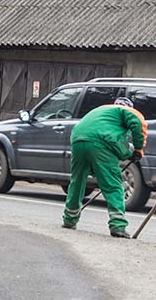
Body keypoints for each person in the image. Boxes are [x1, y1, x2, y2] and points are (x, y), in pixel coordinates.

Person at [62, 97, 147, 237]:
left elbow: (115, 141)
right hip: (99, 142)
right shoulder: (126, 111)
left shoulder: (102, 112)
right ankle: (117, 225)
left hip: (78, 139)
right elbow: (137, 124)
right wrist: (138, 150)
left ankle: (69, 219)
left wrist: (126, 153)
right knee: (113, 184)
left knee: (77, 181)